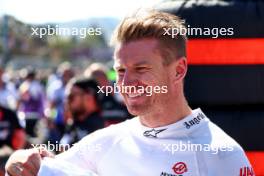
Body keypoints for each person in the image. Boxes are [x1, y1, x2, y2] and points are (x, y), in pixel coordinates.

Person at [5, 9, 254, 176]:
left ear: (179, 70)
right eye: (121, 70)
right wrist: (21, 159)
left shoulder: (223, 155)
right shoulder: (105, 142)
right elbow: (36, 167)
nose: (127, 81)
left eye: (141, 68)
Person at [60, 77, 105, 147]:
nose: (66, 102)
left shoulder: (104, 127)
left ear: (89, 97)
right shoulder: (72, 124)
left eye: (70, 97)